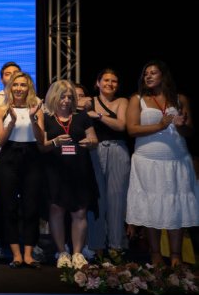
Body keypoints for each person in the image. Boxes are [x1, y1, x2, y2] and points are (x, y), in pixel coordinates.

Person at [126, 60, 199, 267]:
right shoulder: (137, 99)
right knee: (152, 207)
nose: (148, 76)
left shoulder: (180, 99)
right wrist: (160, 125)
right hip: (147, 162)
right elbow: (132, 129)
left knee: (176, 207)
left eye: (153, 73)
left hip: (176, 161)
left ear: (163, 75)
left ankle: (176, 256)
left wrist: (181, 126)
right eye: (145, 73)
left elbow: (189, 132)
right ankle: (156, 254)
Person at [39, 80, 99, 270]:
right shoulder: (46, 118)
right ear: (53, 97)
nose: (66, 101)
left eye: (69, 97)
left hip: (79, 170)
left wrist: (91, 142)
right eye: (62, 97)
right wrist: (55, 142)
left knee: (80, 212)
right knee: (56, 210)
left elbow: (94, 139)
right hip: (54, 171)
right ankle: (62, 252)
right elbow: (41, 146)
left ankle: (77, 253)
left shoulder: (82, 117)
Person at [0, 71, 45, 269]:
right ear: (10, 87)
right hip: (9, 157)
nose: (19, 88)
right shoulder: (1, 110)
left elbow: (41, 140)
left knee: (31, 206)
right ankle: (16, 254)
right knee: (9, 207)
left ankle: (29, 254)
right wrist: (12, 122)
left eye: (23, 85)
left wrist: (33, 118)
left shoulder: (36, 108)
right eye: (15, 85)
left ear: (28, 88)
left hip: (32, 157)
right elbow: (0, 140)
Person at [85, 69, 130, 257]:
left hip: (118, 149)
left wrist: (98, 116)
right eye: (106, 80)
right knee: (96, 201)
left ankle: (116, 247)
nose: (110, 84)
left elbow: (121, 125)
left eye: (114, 81)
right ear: (98, 82)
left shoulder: (122, 102)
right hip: (94, 151)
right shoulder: (89, 101)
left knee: (117, 200)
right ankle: (96, 248)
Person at [0, 61, 21, 261]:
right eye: (8, 74)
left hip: (25, 156)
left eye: (16, 73)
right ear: (1, 79)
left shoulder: (33, 100)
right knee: (0, 200)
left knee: (25, 201)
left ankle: (27, 244)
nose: (12, 76)